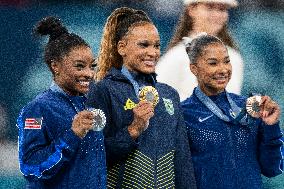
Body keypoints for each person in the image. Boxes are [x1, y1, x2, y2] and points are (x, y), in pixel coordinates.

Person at [86, 7, 196, 189]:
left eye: (157, 46)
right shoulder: (103, 91)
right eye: (144, 45)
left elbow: (182, 160)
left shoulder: (169, 94)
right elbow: (91, 155)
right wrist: (133, 130)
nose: (153, 52)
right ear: (122, 47)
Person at [181, 34, 283, 189]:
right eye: (213, 63)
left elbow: (272, 168)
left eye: (227, 61)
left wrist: (271, 127)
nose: (223, 69)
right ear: (194, 68)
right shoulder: (184, 113)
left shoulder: (248, 107)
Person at [17, 16, 106, 189]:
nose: (89, 74)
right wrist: (72, 135)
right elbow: (31, 168)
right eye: (80, 66)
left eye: (92, 66)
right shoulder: (37, 109)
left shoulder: (90, 104)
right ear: (55, 66)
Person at [156, 0, 243, 101]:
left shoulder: (234, 58)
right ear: (191, 9)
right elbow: (155, 101)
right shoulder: (177, 56)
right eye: (209, 7)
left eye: (222, 9)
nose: (217, 15)